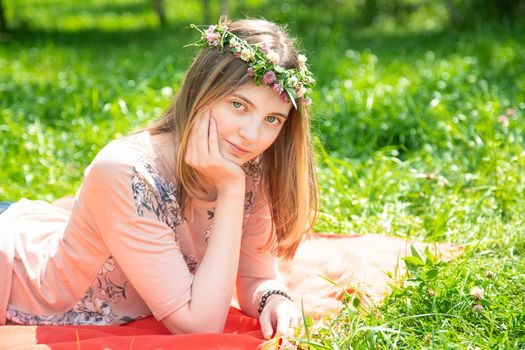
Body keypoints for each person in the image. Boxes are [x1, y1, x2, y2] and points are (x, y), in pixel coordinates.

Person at [0, 17, 318, 339]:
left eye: (272, 119)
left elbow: (254, 276)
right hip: (17, 277)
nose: (251, 135)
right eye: (238, 105)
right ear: (202, 90)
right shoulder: (125, 172)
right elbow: (200, 327)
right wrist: (231, 191)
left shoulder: (250, 167)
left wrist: (272, 298)